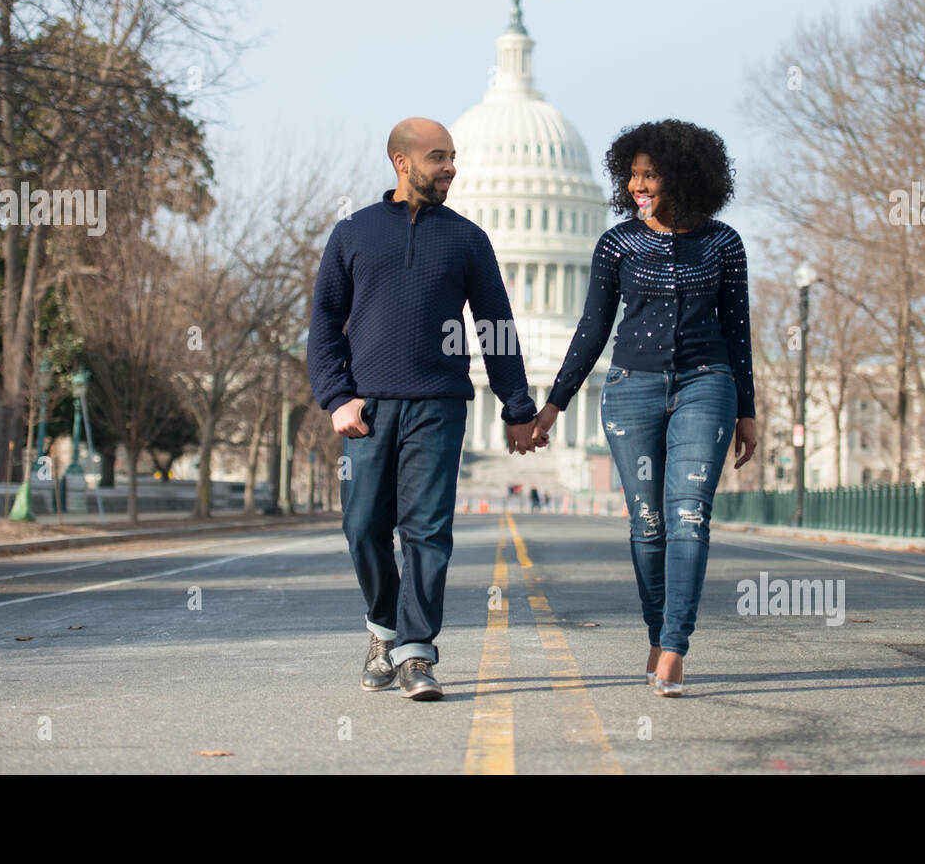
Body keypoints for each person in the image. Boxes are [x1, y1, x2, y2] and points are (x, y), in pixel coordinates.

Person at [307, 117, 544, 702]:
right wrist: (336, 397)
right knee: (363, 526)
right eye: (439, 157)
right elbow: (323, 326)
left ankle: (415, 653)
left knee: (427, 530)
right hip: (368, 408)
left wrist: (517, 407)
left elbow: (496, 327)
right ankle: (382, 630)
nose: (451, 168)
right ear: (401, 162)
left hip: (438, 405)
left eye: (453, 156)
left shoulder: (466, 238)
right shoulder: (353, 233)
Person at [531, 119, 757, 697]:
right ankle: (657, 634)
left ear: (684, 176)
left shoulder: (724, 243)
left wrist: (747, 411)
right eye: (631, 176)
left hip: (707, 384)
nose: (638, 186)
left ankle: (676, 645)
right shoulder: (617, 243)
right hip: (632, 389)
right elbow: (591, 329)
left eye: (650, 175)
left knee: (688, 517)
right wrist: (554, 405)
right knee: (648, 524)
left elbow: (738, 331)